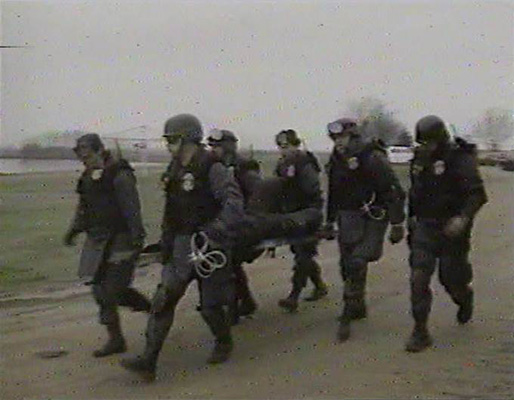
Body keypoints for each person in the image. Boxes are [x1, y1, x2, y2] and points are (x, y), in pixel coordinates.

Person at [120, 114, 245, 382]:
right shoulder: (174, 168)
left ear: (188, 139)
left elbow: (234, 204)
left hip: (210, 246)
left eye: (172, 140)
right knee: (163, 301)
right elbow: (171, 209)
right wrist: (166, 242)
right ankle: (149, 360)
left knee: (211, 307)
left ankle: (223, 341)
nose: (168, 145)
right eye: (167, 140)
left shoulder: (213, 168)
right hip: (180, 245)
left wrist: (214, 230)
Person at [405, 115, 487, 352]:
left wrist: (463, 218)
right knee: (418, 278)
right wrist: (411, 218)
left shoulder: (459, 159)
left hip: (452, 228)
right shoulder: (419, 160)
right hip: (425, 226)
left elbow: (477, 194)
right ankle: (420, 331)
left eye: (429, 143)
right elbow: (415, 191)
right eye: (422, 143)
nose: (425, 147)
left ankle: (464, 298)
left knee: (451, 278)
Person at [64, 133, 150, 358]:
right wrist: (73, 231)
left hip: (122, 238)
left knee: (113, 289)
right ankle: (116, 339)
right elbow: (83, 209)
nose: (84, 161)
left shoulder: (120, 175)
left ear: (100, 151)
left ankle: (151, 309)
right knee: (99, 290)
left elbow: (132, 208)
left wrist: (137, 238)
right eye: (81, 158)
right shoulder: (87, 177)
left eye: (88, 156)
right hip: (97, 240)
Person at [323, 118, 406, 343]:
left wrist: (397, 223)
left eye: (342, 137)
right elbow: (333, 192)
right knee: (346, 265)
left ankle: (347, 311)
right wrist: (329, 221)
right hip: (348, 216)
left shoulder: (371, 157)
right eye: (334, 138)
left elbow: (393, 190)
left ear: (353, 136)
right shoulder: (336, 159)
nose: (338, 142)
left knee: (358, 261)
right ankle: (357, 304)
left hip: (374, 215)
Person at [207, 128, 262, 321]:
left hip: (245, 223)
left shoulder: (244, 168)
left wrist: (243, 218)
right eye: (212, 146)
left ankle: (234, 306)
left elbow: (257, 196)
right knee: (229, 264)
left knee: (228, 263)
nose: (213, 150)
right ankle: (244, 302)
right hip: (229, 223)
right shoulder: (216, 167)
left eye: (218, 146)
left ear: (229, 147)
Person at [274, 129, 328, 313]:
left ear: (295, 145)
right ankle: (319, 285)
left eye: (286, 146)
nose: (283, 150)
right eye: (280, 147)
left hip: (308, 214)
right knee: (302, 252)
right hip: (292, 215)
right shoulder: (282, 164)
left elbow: (312, 190)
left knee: (303, 254)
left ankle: (294, 295)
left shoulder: (304, 163)